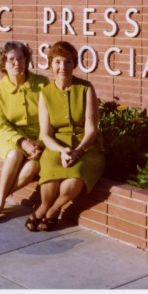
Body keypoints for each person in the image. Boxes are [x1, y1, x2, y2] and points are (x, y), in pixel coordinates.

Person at [25, 41, 105, 232]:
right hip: (57, 145)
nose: (63, 67)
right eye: (58, 62)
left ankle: (52, 210)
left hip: (87, 146)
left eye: (68, 62)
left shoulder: (86, 88)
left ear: (74, 64)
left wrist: (78, 151)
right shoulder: (45, 93)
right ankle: (43, 207)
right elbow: (45, 133)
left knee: (74, 177)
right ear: (51, 65)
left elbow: (92, 130)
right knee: (51, 172)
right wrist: (62, 150)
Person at [0, 41, 49, 223]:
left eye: (21, 58)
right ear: (3, 64)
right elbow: (0, 125)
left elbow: (50, 118)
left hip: (40, 138)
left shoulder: (42, 83)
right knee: (15, 154)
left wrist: (39, 143)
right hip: (10, 137)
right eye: (12, 60)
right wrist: (22, 142)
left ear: (26, 60)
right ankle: (0, 203)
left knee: (33, 166)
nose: (17, 63)